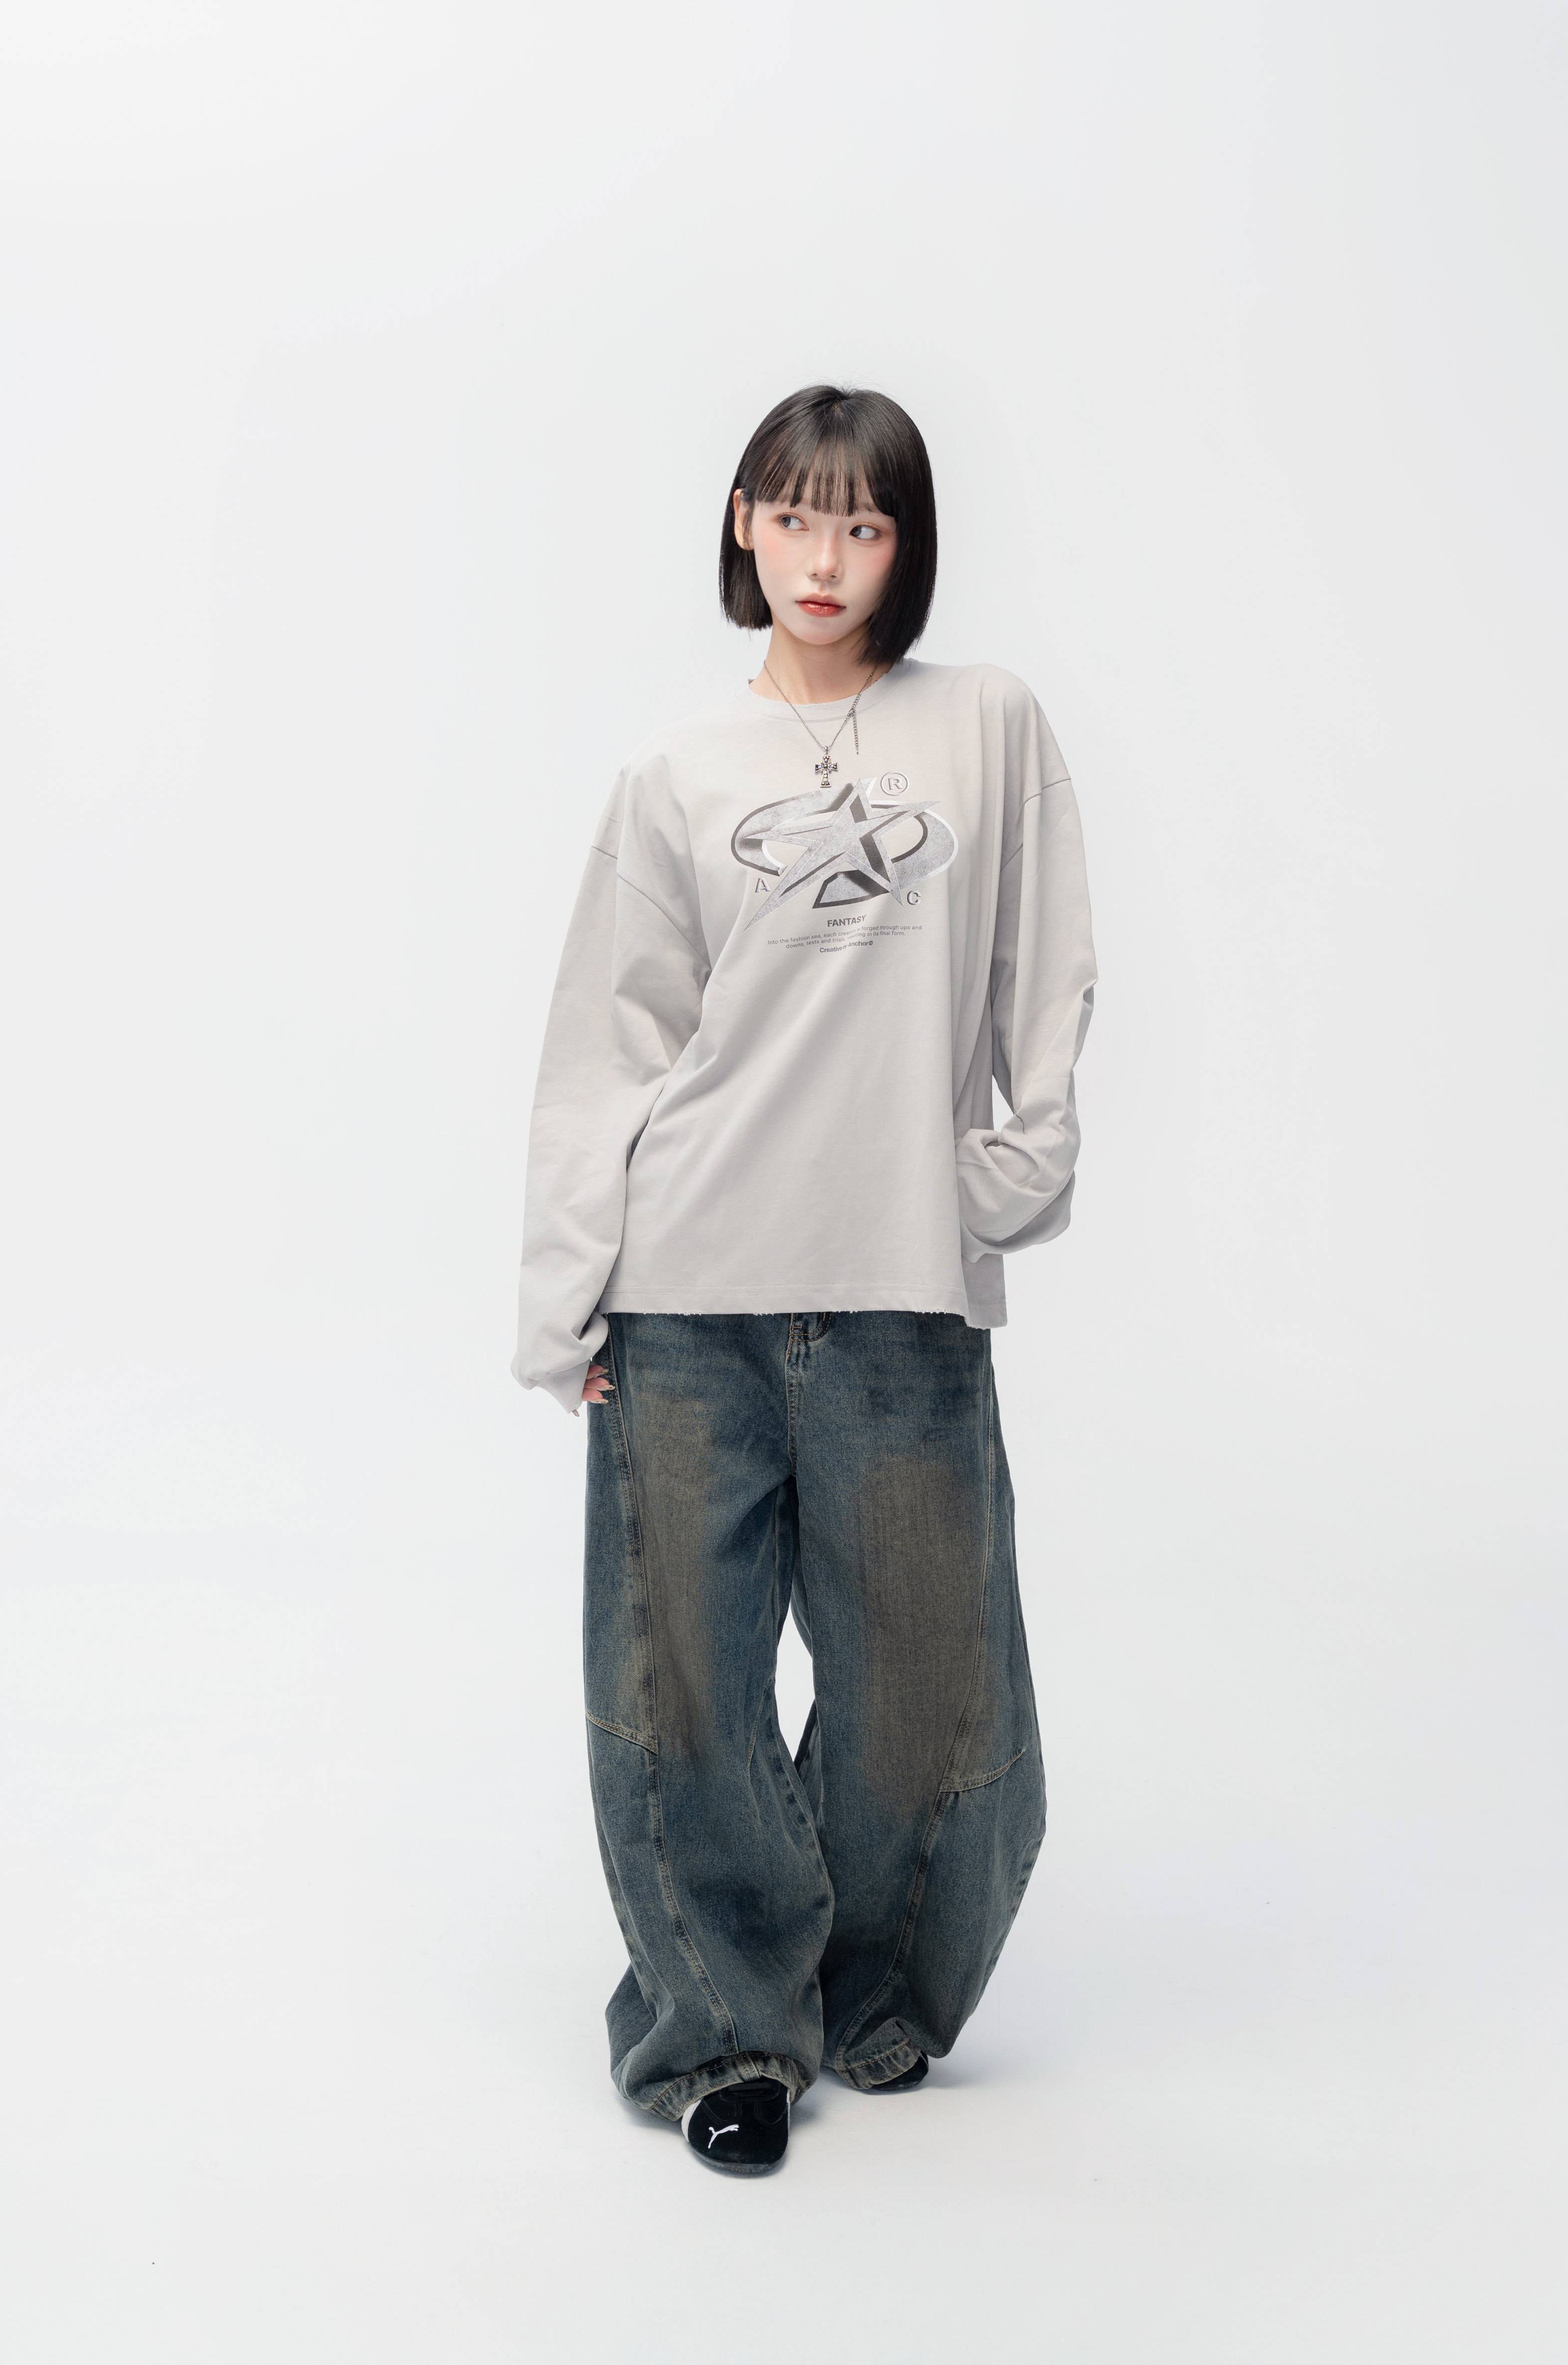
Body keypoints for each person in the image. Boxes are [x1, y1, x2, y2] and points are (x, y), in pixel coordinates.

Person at [513, 384, 1096, 2175]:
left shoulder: (984, 725)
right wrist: (569, 1301)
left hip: (902, 1292)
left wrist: (1004, 1174)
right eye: (794, 515)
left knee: (931, 1685)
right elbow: (609, 1045)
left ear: (905, 545)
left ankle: (875, 1994)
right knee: (681, 1688)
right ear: (743, 526)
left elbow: (1046, 971)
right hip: (687, 1290)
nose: (825, 557)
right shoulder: (676, 774)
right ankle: (723, 2035)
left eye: (864, 522)